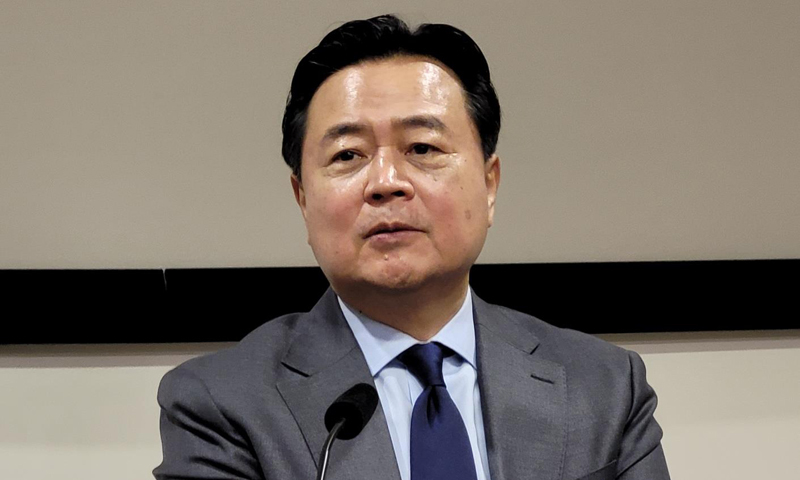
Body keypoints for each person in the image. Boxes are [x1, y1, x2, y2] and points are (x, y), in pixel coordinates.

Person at [153, 14, 670, 480]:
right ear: (303, 199)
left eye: (422, 148)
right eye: (348, 155)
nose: (386, 182)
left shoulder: (603, 387)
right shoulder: (221, 404)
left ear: (489, 185)